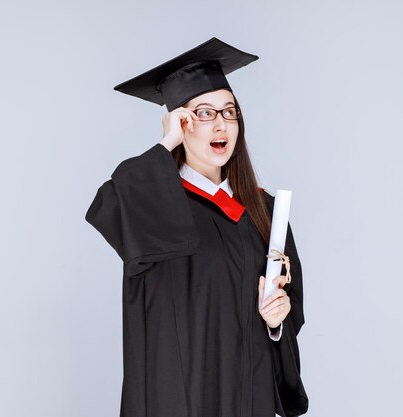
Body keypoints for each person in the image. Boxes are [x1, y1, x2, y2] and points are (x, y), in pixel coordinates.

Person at [85, 37, 308, 417]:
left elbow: (288, 318)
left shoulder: (263, 211)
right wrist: (165, 141)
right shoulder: (154, 202)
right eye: (203, 113)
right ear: (180, 122)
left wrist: (276, 324)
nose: (221, 124)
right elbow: (108, 203)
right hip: (177, 398)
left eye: (229, 112)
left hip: (248, 399)